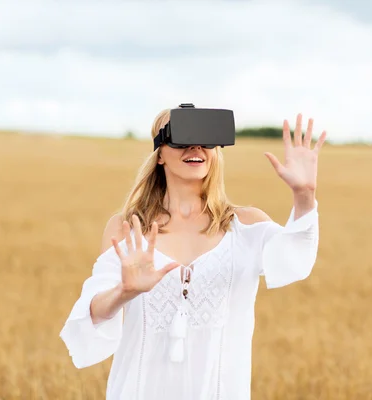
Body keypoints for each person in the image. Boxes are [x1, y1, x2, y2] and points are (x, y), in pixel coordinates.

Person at [59, 108, 326, 399]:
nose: (195, 147)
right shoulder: (128, 228)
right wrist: (125, 291)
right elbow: (93, 313)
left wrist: (304, 196)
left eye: (206, 138)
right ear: (160, 153)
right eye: (182, 137)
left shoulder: (246, 227)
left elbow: (295, 260)